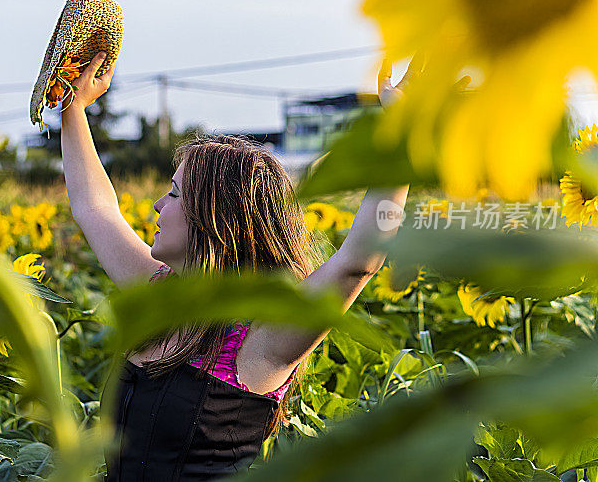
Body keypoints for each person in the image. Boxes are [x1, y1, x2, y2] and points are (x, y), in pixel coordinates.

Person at [60, 51, 410, 480]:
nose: (155, 205)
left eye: (173, 195)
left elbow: (358, 261)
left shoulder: (261, 340)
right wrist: (73, 108)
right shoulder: (158, 293)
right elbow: (95, 207)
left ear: (212, 220)